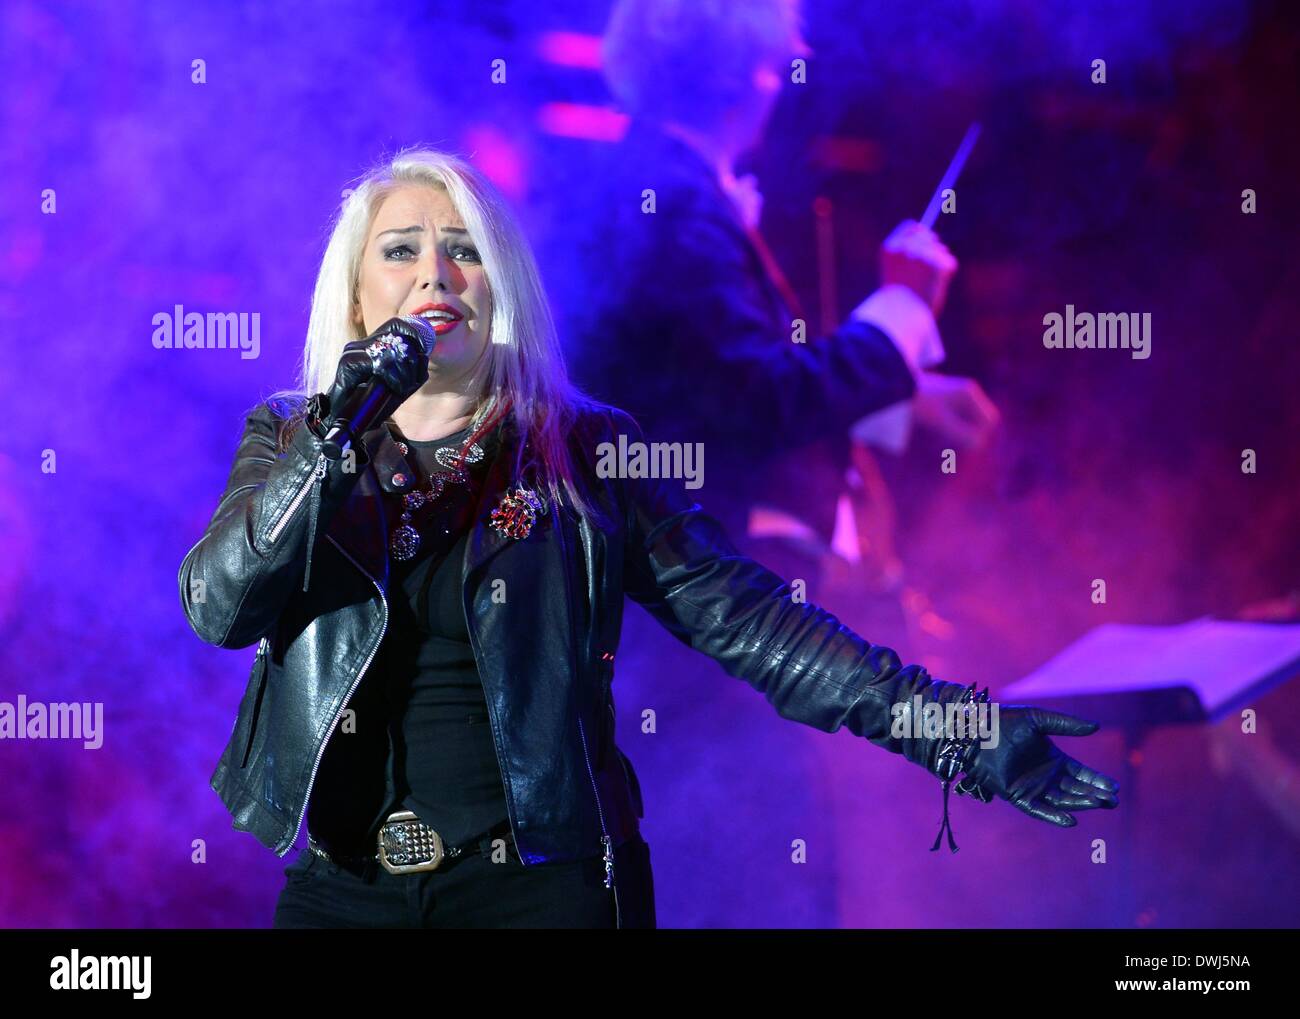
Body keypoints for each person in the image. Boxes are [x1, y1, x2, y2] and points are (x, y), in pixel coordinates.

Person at [178, 147, 1118, 930]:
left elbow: (757, 624)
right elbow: (219, 605)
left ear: (499, 288)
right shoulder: (293, 437)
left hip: (537, 890)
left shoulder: (585, 449)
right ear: (354, 300)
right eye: (402, 249)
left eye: (465, 249)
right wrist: (336, 437)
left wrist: (956, 728)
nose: (436, 272)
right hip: (345, 895)